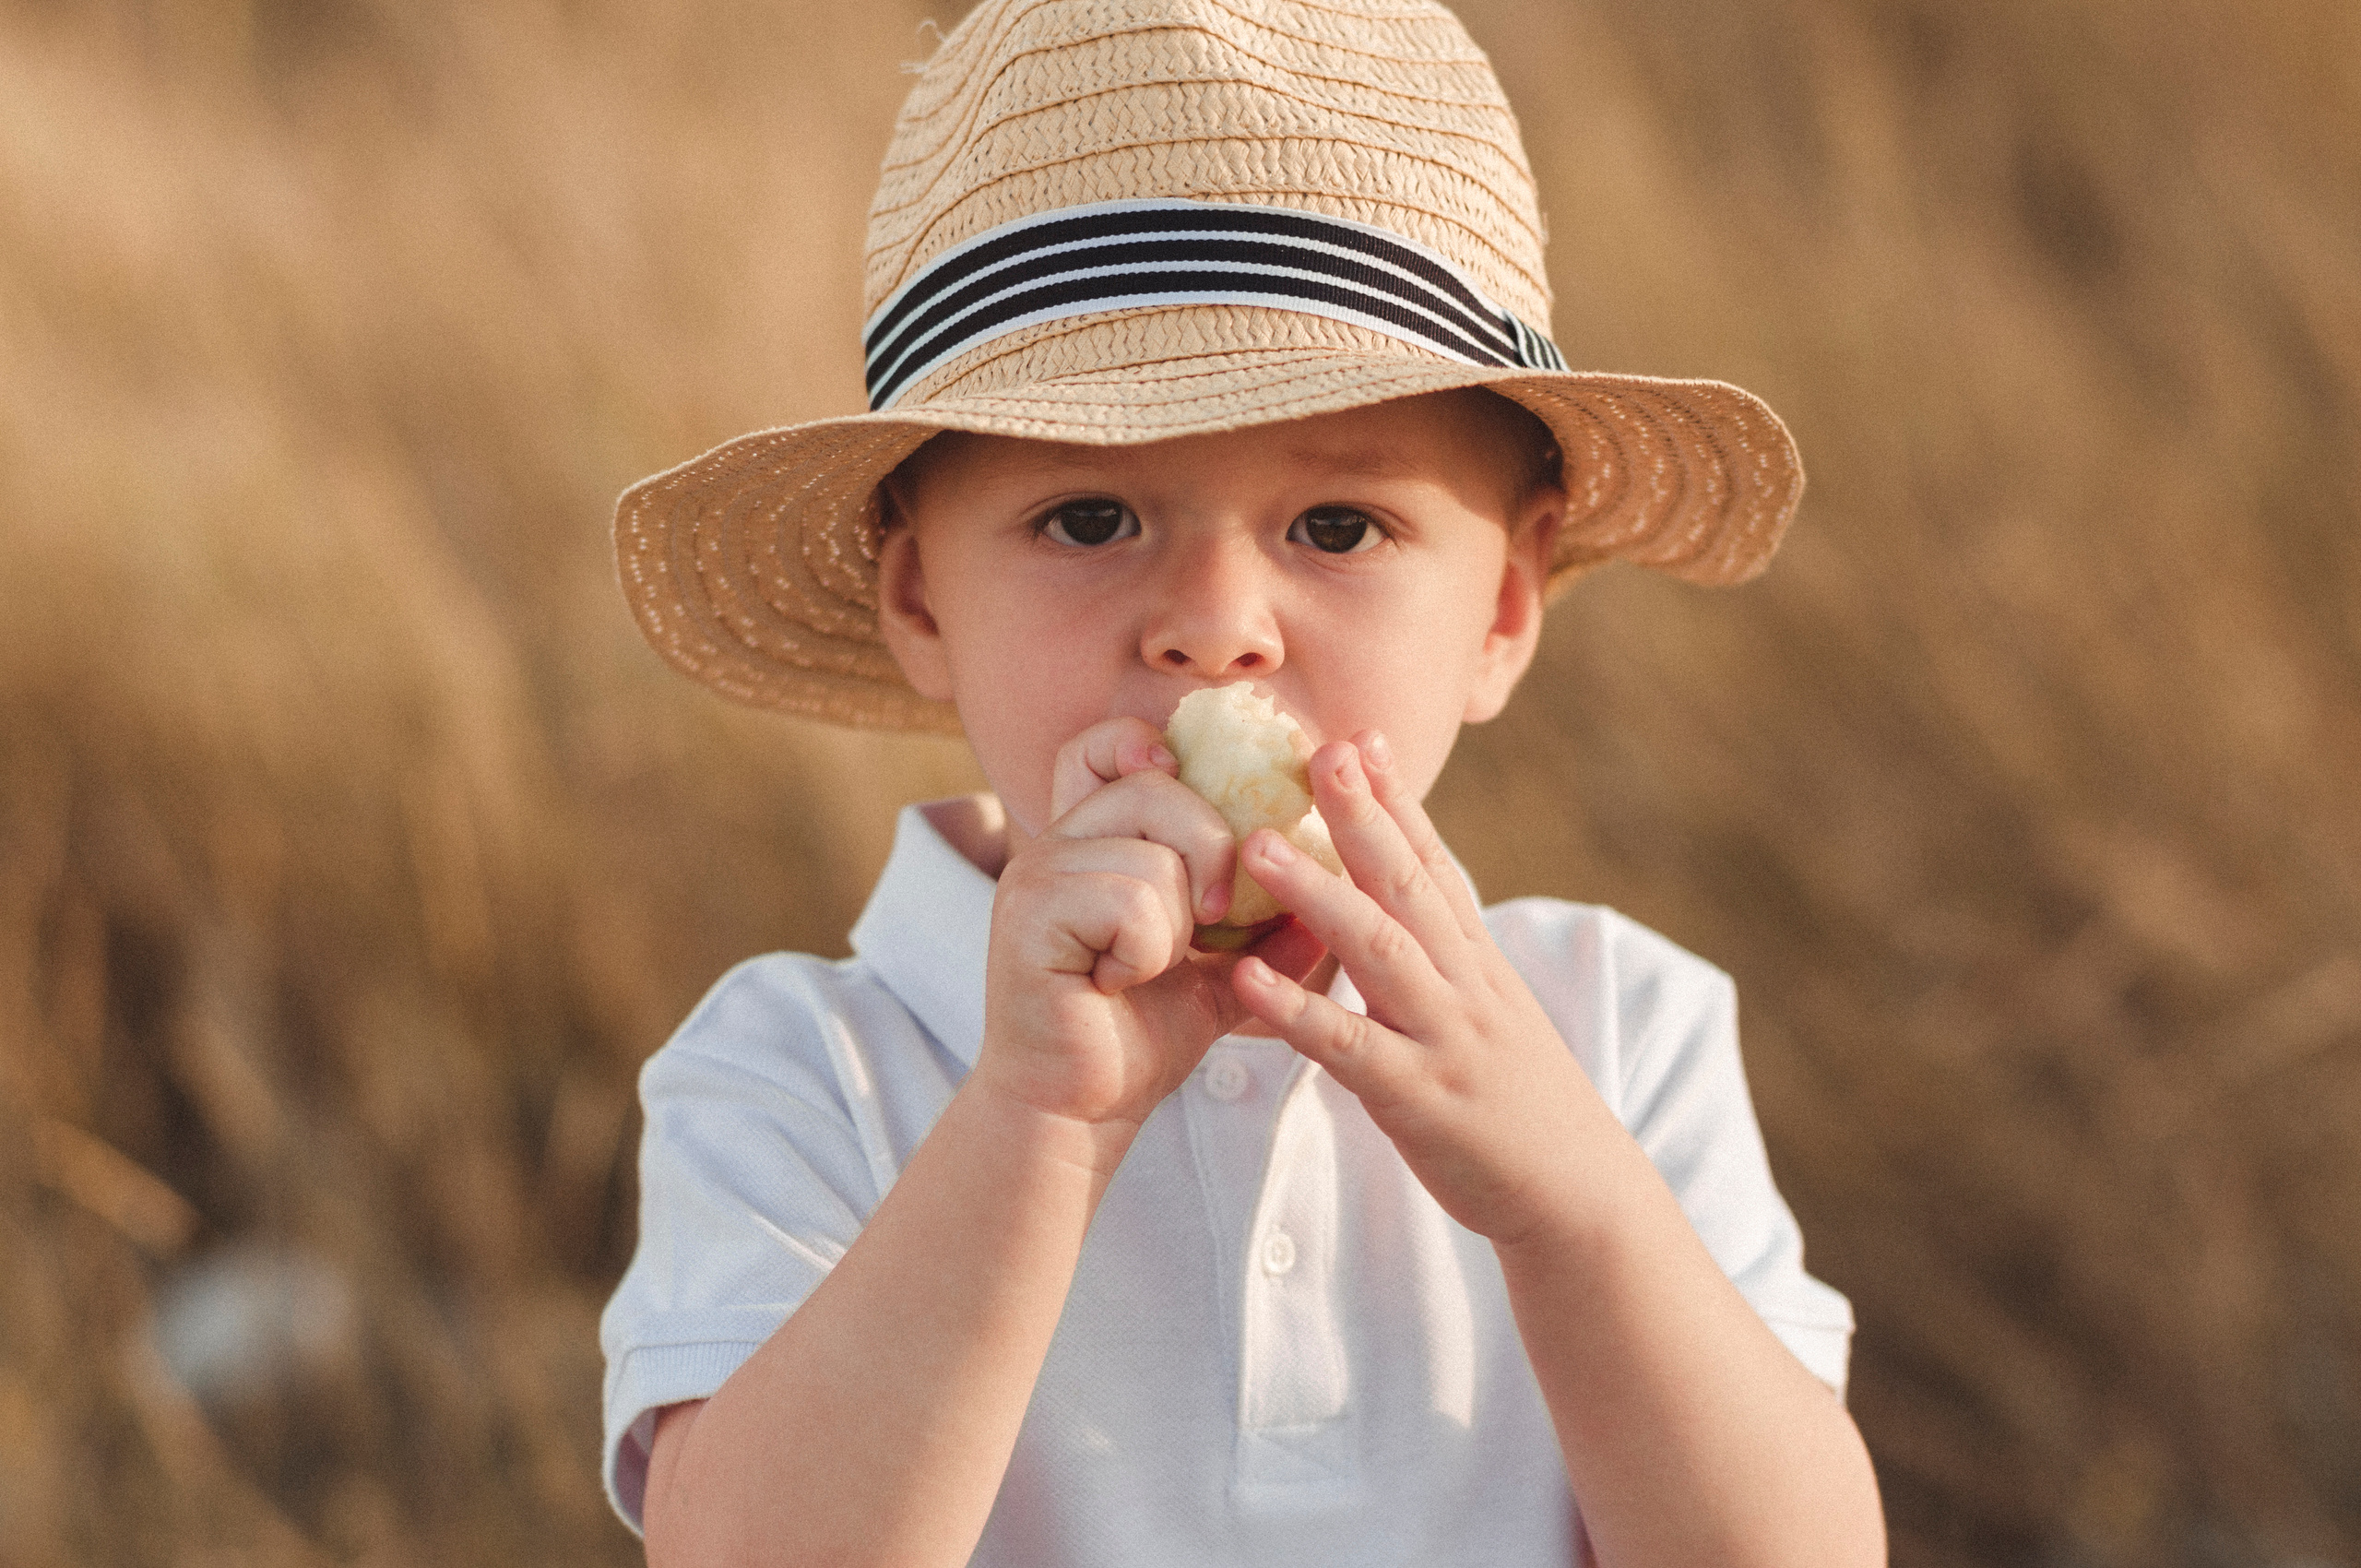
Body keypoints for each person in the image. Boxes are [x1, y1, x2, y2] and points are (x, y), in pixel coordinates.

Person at [599, 1, 1886, 1563]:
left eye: (1336, 529)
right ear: (922, 599)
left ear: (1503, 609)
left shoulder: (1616, 1031)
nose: (1214, 629)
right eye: (1088, 519)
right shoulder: (809, 1069)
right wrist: (1036, 1120)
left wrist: (1571, 1211)